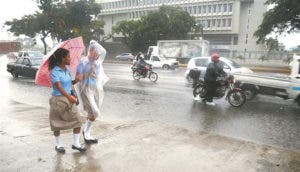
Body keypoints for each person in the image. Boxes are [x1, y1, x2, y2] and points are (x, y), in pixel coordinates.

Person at [48, 48, 86, 153]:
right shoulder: (54, 71)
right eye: (68, 56)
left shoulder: (67, 70)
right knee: (56, 123)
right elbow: (59, 87)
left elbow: (68, 85)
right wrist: (70, 97)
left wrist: (75, 80)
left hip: (69, 99)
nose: (70, 58)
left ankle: (76, 143)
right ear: (62, 58)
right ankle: (58, 145)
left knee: (78, 120)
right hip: (58, 100)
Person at [74, 40, 109, 144]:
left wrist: (94, 43)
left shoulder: (98, 62)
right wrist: (88, 72)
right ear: (91, 51)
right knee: (95, 112)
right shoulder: (82, 62)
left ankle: (87, 133)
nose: (98, 54)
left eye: (98, 52)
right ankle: (86, 132)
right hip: (85, 89)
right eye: (95, 51)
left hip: (95, 88)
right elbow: (78, 78)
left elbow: (104, 52)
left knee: (93, 113)